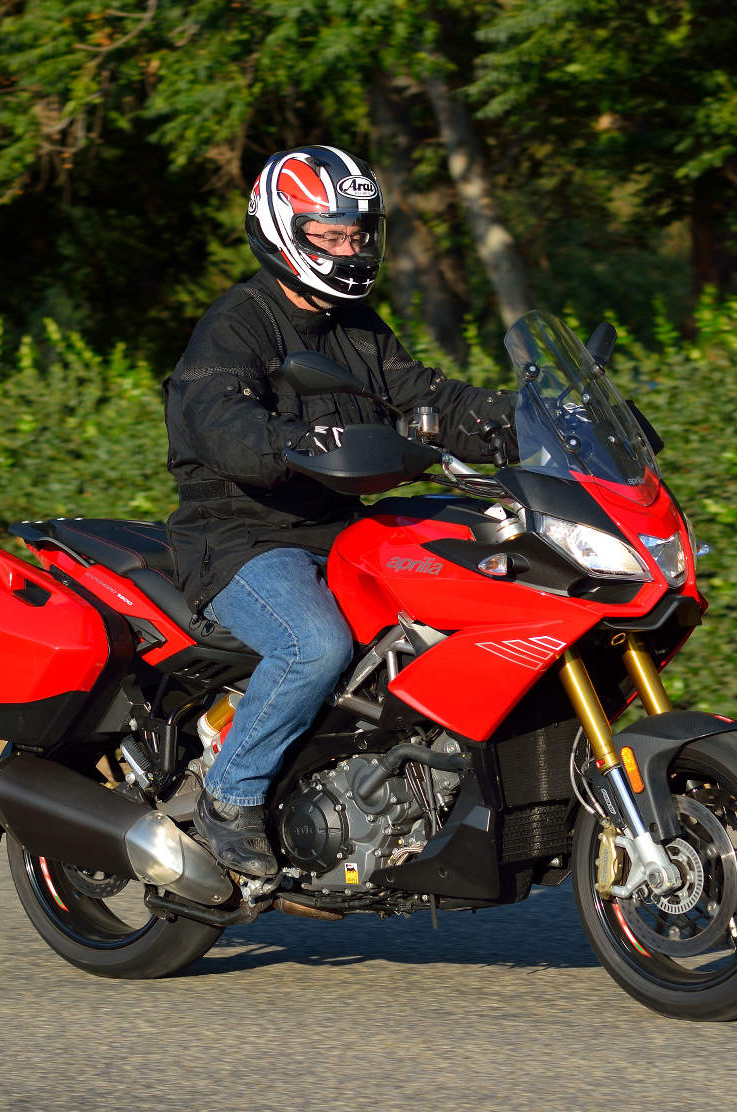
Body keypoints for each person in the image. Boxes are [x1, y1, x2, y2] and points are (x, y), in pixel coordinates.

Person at [163, 145, 514, 876]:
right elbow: (216, 416)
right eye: (330, 234)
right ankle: (230, 797)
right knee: (315, 646)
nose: (349, 249)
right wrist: (288, 440)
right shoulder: (238, 323)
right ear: (282, 230)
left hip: (341, 531)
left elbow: (428, 398)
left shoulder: (358, 326)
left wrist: (523, 421)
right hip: (241, 536)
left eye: (357, 234)